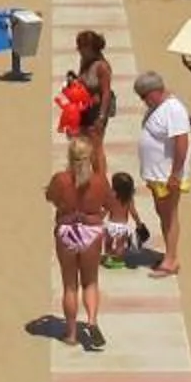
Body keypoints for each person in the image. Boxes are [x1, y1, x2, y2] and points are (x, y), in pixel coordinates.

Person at [45, 133, 114, 350]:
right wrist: (97, 216)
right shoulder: (99, 181)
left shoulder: (61, 179)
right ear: (90, 157)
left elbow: (51, 197)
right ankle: (92, 321)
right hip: (91, 231)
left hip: (67, 230)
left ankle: (72, 333)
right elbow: (109, 204)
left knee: (70, 285)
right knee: (90, 282)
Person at [133, 70, 191, 278]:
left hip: (167, 175)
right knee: (163, 213)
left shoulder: (174, 110)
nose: (144, 101)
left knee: (169, 215)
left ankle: (171, 260)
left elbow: (182, 142)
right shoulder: (158, 107)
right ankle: (169, 254)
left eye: (145, 96)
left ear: (155, 91)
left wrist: (175, 174)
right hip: (157, 175)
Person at [68, 31, 116, 176]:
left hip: (96, 110)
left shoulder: (102, 67)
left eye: (81, 47)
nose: (78, 50)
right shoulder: (84, 61)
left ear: (90, 48)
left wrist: (101, 117)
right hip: (84, 108)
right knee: (81, 145)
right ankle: (83, 177)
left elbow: (106, 93)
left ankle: (100, 179)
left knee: (96, 148)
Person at [104, 171, 141, 267]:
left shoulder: (111, 197)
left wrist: (100, 219)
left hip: (110, 224)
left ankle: (108, 258)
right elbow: (133, 213)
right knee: (120, 245)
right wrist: (138, 222)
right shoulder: (129, 199)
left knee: (108, 243)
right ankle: (118, 260)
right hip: (122, 226)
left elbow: (106, 209)